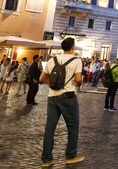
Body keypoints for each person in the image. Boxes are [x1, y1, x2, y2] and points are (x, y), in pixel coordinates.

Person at [39, 38, 84, 167]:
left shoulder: (52, 60)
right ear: (73, 47)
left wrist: (54, 84)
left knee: (50, 128)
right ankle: (71, 155)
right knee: (73, 126)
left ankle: (46, 159)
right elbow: (78, 79)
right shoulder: (76, 61)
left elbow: (42, 78)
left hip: (52, 96)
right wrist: (77, 84)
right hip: (68, 96)